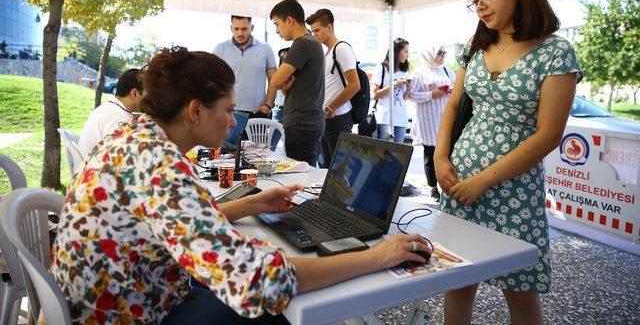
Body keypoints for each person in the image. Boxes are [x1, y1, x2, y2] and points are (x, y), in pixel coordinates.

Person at [48, 46, 431, 324]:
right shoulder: (160, 166)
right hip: (131, 312)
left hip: (114, 298)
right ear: (195, 110)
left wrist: (252, 204)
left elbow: (173, 221)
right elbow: (258, 280)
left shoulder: (136, 138)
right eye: (229, 110)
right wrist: (376, 258)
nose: (233, 122)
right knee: (281, 310)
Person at [434, 0, 583, 324]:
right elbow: (453, 106)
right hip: (460, 182)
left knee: (518, 289)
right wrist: (440, 157)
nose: (480, 6)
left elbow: (549, 135)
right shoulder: (476, 45)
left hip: (512, 188)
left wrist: (481, 181)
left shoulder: (555, 51)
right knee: (457, 280)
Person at [269, 0, 325, 166]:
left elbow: (276, 81)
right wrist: (284, 86)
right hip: (306, 121)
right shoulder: (310, 43)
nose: (277, 31)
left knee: (299, 180)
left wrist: (280, 83)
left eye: (277, 24)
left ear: (290, 20)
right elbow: (287, 85)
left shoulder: (303, 43)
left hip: (302, 124)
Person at [306, 8, 361, 166]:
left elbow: (355, 85)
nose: (315, 35)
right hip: (327, 117)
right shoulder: (328, 53)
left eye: (317, 30)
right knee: (328, 168)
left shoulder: (341, 48)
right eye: (312, 31)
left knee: (338, 169)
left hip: (338, 118)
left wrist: (330, 108)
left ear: (329, 27)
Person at [408, 46, 455, 202]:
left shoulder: (447, 70)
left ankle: (447, 184)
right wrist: (431, 94)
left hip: (445, 117)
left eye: (443, 53)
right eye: (438, 53)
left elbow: (457, 87)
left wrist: (451, 90)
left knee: (448, 152)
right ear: (429, 54)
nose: (442, 56)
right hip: (428, 119)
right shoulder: (418, 73)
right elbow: (410, 95)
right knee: (431, 153)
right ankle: (433, 186)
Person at [214, 15, 278, 119]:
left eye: (244, 29)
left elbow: (274, 80)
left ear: (252, 28)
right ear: (231, 28)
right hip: (229, 111)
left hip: (258, 112)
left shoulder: (265, 48)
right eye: (236, 29)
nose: (240, 33)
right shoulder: (221, 48)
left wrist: (268, 105)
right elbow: (211, 78)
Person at [77, 68, 143, 157]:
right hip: (93, 168)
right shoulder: (119, 117)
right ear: (134, 93)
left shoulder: (109, 107)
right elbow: (120, 157)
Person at [372, 38, 411, 142]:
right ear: (397, 51)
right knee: (383, 152)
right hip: (385, 117)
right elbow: (375, 95)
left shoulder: (405, 71)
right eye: (405, 52)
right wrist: (393, 84)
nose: (407, 55)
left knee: (399, 153)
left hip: (401, 117)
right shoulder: (381, 68)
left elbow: (405, 97)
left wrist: (409, 88)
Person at [273, 47, 290, 123]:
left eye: (286, 58)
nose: (284, 61)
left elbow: (284, 91)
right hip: (278, 111)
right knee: (274, 134)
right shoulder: (277, 74)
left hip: (290, 111)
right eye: (282, 58)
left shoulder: (297, 76)